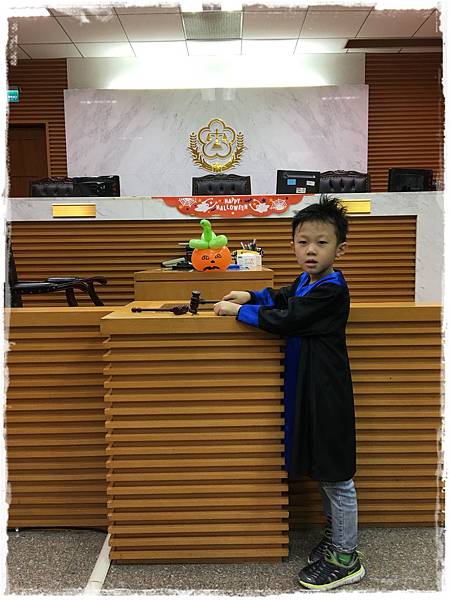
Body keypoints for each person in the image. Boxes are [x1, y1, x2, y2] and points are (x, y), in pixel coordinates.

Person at [213, 195, 365, 591]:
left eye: (321, 242)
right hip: (307, 389)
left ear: (340, 249)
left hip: (327, 392)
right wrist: (250, 295)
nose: (311, 250)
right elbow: (282, 296)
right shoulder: (306, 281)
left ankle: (346, 558)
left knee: (336, 475)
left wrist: (240, 312)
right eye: (303, 242)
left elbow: (290, 317)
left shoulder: (332, 289)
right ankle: (335, 539)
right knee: (322, 469)